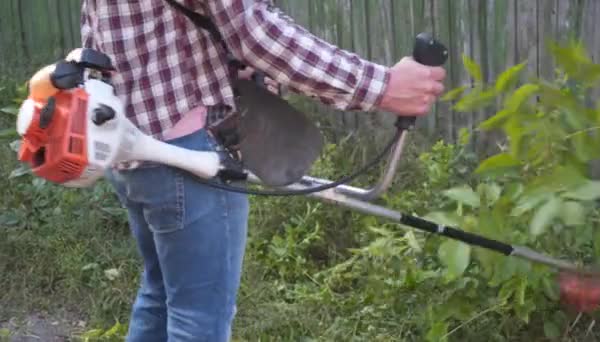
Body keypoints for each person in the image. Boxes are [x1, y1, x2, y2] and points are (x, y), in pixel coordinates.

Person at [79, 1, 446, 341]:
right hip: (187, 155)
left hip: (130, 139)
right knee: (199, 320)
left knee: (161, 297)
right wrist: (381, 86)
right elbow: (252, 29)